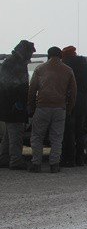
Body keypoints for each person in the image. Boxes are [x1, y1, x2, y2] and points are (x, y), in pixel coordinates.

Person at [28, 47, 77, 173]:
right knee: (56, 137)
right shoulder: (68, 70)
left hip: (42, 107)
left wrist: (32, 108)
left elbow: (32, 90)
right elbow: (73, 93)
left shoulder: (40, 69)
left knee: (37, 136)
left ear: (48, 55)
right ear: (61, 56)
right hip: (60, 108)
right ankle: (54, 165)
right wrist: (69, 108)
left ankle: (36, 164)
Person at [0, 40, 36, 170]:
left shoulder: (10, 62)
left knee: (9, 135)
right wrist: (21, 103)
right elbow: (17, 86)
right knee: (16, 134)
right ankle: (15, 161)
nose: (31, 56)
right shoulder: (16, 64)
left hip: (8, 105)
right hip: (14, 105)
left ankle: (4, 158)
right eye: (30, 53)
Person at [61, 46, 87, 167]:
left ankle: (69, 159)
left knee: (68, 131)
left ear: (65, 55)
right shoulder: (86, 64)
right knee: (80, 131)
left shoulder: (65, 64)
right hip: (82, 100)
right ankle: (80, 159)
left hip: (69, 100)